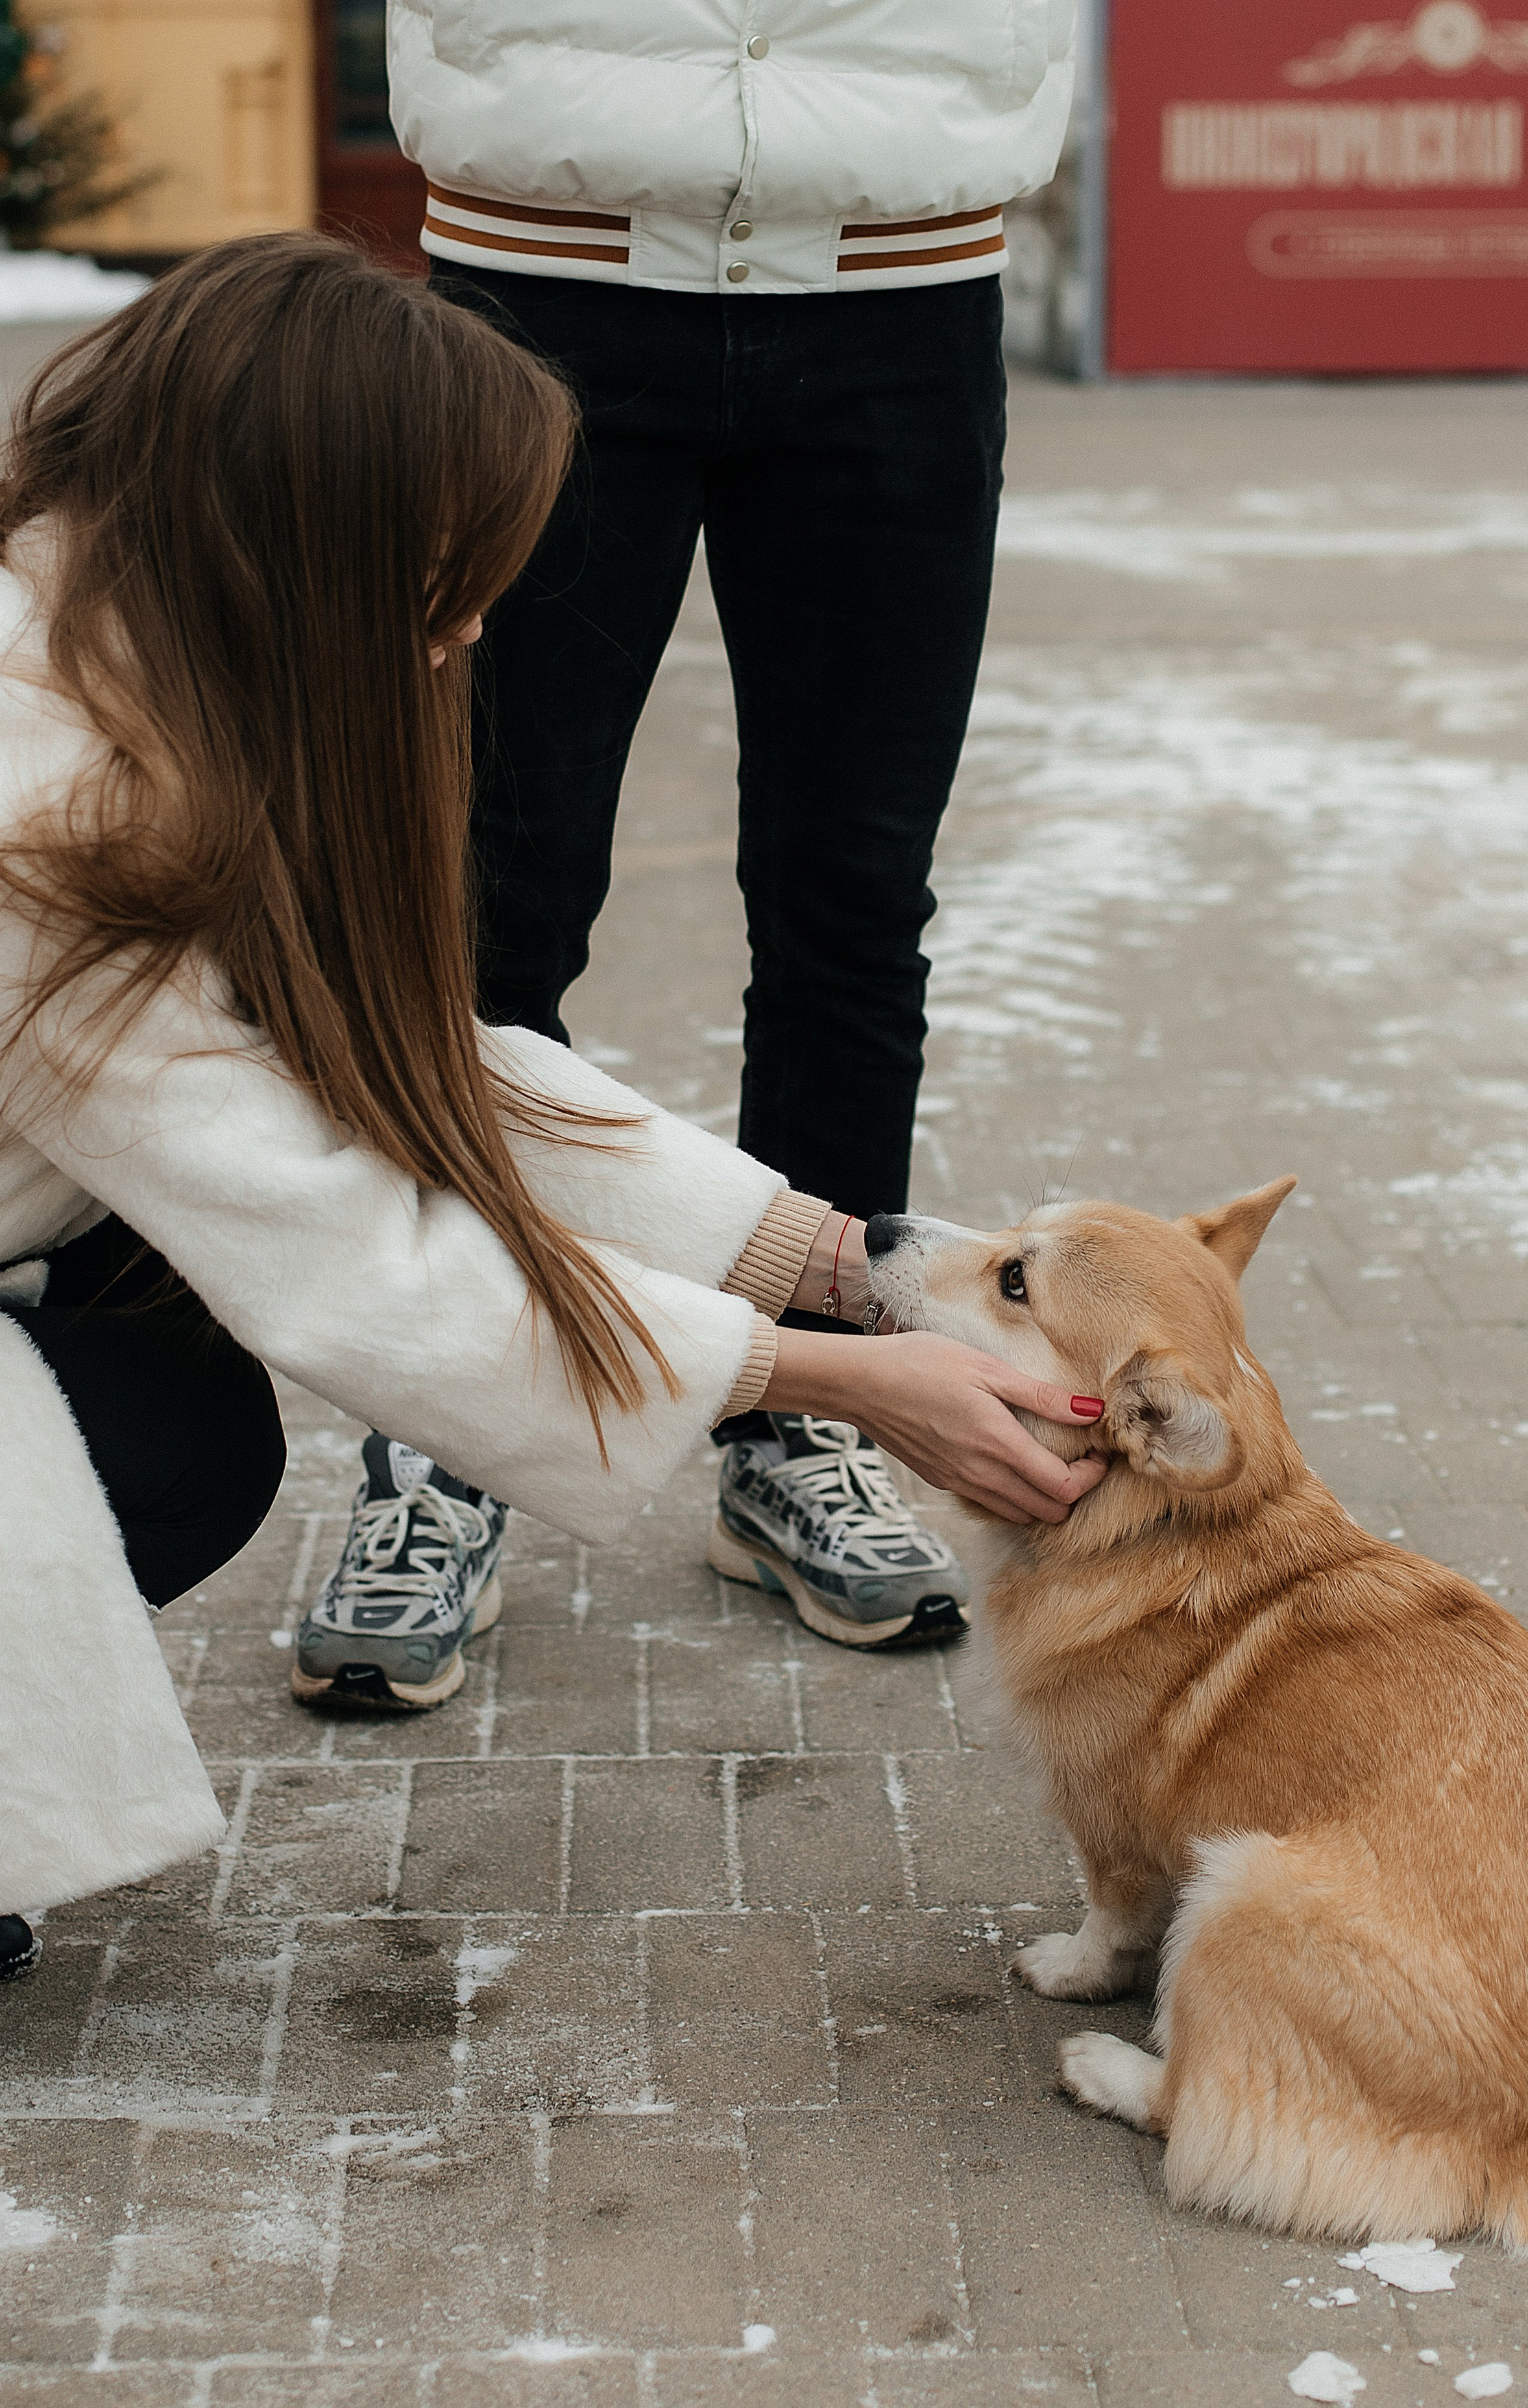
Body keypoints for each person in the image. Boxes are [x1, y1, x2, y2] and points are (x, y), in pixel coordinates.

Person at [0, 234, 1103, 1993]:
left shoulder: (130, 672)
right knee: (164, 1431)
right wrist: (824, 1383)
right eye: (444, 579)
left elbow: (423, 1069)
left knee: (165, 1390)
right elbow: (329, 1239)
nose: (465, 630)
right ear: (302, 549)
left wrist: (855, 1269)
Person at [297, 0, 1077, 1694]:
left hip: (899, 271)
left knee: (852, 899)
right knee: (481, 906)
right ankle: (457, 1417)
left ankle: (802, 1423)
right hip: (546, 272)